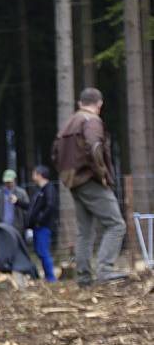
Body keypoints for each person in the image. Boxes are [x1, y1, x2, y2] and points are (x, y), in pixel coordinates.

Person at [52, 87, 126, 287]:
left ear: (79, 103)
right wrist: (102, 175)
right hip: (90, 180)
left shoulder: (68, 123)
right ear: (99, 105)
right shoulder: (91, 121)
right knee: (117, 225)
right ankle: (105, 270)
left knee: (85, 232)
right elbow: (95, 147)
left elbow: (55, 154)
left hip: (73, 182)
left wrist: (67, 176)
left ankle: (84, 278)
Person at [27, 165, 57, 282]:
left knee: (44, 252)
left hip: (43, 226)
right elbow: (32, 207)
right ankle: (48, 276)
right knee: (40, 252)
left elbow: (50, 206)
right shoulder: (40, 190)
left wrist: (40, 220)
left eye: (34, 173)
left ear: (40, 175)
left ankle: (51, 278)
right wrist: (18, 202)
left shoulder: (49, 189)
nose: (33, 176)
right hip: (37, 226)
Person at [0, 170, 29, 235]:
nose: (8, 184)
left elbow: (26, 210)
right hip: (2, 226)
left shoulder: (21, 193)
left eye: (10, 182)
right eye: (6, 182)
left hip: (18, 227)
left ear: (15, 180)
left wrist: (27, 227)